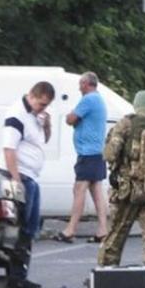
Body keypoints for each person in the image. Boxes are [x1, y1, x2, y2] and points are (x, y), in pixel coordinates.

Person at [0, 82, 55, 288]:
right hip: (16, 177)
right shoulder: (17, 115)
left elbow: (43, 141)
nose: (43, 108)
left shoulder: (34, 116)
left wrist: (47, 124)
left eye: (46, 106)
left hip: (31, 177)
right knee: (16, 226)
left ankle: (19, 276)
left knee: (30, 227)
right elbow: (9, 149)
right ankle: (14, 277)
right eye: (41, 104)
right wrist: (16, 181)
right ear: (32, 95)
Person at [97, 91, 145, 267]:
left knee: (116, 233)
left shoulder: (125, 123)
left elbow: (110, 154)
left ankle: (105, 271)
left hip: (126, 189)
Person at [56, 72, 108, 243]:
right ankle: (102, 229)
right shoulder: (98, 99)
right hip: (96, 151)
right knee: (96, 190)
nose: (79, 88)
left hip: (88, 152)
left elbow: (71, 119)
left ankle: (70, 230)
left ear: (87, 83)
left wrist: (74, 119)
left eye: (80, 84)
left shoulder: (89, 99)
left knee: (79, 189)